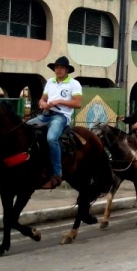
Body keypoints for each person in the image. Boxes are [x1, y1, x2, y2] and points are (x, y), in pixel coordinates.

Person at [26, 56, 83, 189]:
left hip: (61, 116)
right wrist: (43, 104)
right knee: (24, 129)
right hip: (45, 115)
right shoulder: (50, 82)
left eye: (62, 67)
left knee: (51, 138)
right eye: (57, 67)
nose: (59, 70)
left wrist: (59, 101)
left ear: (67, 70)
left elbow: (78, 103)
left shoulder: (74, 84)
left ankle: (57, 173)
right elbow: (42, 99)